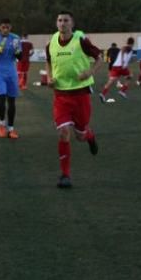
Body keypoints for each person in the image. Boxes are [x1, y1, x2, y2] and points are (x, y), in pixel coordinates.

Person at [44, 11, 104, 189]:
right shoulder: (51, 42)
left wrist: (89, 72)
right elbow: (47, 61)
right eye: (59, 20)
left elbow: (99, 58)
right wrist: (49, 77)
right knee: (63, 132)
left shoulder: (81, 40)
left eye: (66, 20)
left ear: (72, 23)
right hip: (61, 95)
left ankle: (90, 135)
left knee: (79, 136)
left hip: (80, 94)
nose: (62, 23)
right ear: (56, 23)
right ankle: (65, 175)